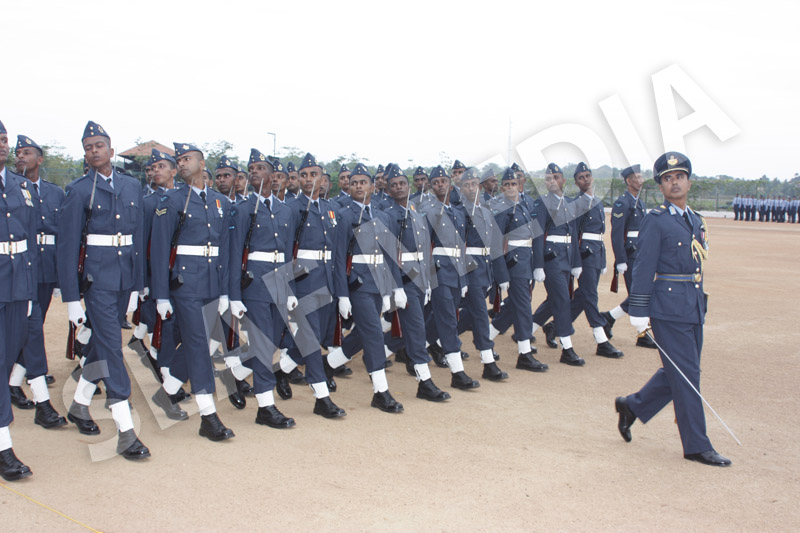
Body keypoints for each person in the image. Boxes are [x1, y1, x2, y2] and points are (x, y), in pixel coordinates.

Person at [615, 151, 731, 467]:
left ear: (689, 182)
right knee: (688, 376)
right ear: (661, 186)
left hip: (693, 305)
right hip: (667, 309)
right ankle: (697, 445)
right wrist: (638, 311)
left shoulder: (695, 220)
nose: (674, 182)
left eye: (680, 176)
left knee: (679, 372)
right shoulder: (656, 220)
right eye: (668, 178)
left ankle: (632, 406)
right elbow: (643, 266)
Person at [58, 121, 149, 460]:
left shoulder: (131, 186)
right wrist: (71, 298)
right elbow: (67, 247)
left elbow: (138, 237)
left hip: (125, 277)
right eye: (88, 148)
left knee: (101, 343)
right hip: (97, 280)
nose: (93, 151)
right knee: (112, 347)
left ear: (110, 150)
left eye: (99, 145)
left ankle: (79, 403)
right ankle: (126, 430)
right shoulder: (79, 190)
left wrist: (138, 285)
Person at [151, 142, 235, 442]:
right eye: (179, 160)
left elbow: (226, 250)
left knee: (200, 341)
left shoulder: (220, 202)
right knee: (198, 344)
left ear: (202, 163)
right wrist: (161, 295)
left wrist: (225, 291)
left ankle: (167, 392)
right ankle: (208, 416)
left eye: (187, 159)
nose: (182, 164)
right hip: (185, 283)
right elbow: (160, 250)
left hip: (212, 281)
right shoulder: (171, 200)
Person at [326, 163, 405, 412]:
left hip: (378, 283)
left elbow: (390, 255)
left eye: (363, 182)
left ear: (372, 187)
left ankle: (328, 364)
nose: (358, 186)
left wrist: (396, 287)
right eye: (354, 183)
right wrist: (342, 295)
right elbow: (339, 258)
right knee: (373, 334)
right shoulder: (344, 215)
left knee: (362, 333)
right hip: (357, 284)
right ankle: (380, 392)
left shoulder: (383, 216)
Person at [227, 148, 297, 428]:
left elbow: (288, 253)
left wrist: (290, 289)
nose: (254, 172)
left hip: (279, 283)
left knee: (275, 340)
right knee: (263, 343)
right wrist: (234, 295)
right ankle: (265, 407)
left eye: (260, 168)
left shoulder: (284, 209)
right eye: (251, 168)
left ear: (272, 175)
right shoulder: (243, 209)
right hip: (254, 283)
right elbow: (235, 253)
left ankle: (236, 372)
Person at [7, 135, 66, 426]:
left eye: (27, 152)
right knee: (29, 330)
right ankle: (22, 384)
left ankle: (16, 381)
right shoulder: (13, 188)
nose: (21, 157)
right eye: (18, 152)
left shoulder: (54, 192)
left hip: (43, 267)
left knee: (33, 327)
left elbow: (63, 233)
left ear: (39, 159)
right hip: (17, 269)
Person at [283, 153, 345, 418]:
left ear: (323, 179)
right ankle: (321, 396)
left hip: (327, 280)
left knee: (315, 336)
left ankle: (280, 370)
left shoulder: (331, 209)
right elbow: (286, 252)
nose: (308, 179)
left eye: (313, 174)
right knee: (310, 339)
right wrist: (288, 289)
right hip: (304, 281)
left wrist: (342, 292)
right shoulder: (291, 208)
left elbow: (338, 255)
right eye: (303, 175)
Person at [420, 166, 480, 389]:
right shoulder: (427, 211)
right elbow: (425, 246)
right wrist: (428, 279)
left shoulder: (457, 212)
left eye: (443, 181)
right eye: (435, 182)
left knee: (442, 320)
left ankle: (407, 348)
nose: (440, 185)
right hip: (439, 271)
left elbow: (461, 247)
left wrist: (463, 278)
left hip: (455, 271)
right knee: (448, 321)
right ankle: (457, 373)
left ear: (450, 184)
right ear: (431, 186)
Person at [0, 119, 37, 480]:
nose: (1, 145)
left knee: (7, 359)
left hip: (16, 285)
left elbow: (30, 242)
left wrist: (28, 288)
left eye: (3, 140)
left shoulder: (20, 186)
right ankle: (4, 448)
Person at [488, 168, 548, 372]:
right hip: (513, 263)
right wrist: (501, 274)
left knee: (514, 305)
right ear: (501, 188)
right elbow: (496, 244)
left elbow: (536, 235)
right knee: (523, 307)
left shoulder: (525, 205)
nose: (511, 188)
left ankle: (485, 339)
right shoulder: (501, 209)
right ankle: (524, 353)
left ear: (519, 185)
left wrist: (538, 265)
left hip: (526, 260)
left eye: (514, 184)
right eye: (506, 185)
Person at [456, 168, 510, 380]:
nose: (471, 188)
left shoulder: (486, 212)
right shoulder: (459, 213)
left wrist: (501, 276)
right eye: (466, 185)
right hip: (470, 269)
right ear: (461, 189)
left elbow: (495, 247)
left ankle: (433, 341)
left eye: (474, 184)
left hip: (485, 269)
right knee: (479, 315)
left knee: (467, 314)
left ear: (479, 187)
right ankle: (488, 362)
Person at [530, 163, 585, 366]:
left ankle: (525, 334)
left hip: (567, 258)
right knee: (562, 300)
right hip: (551, 259)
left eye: (556, 177)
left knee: (556, 299)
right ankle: (567, 349)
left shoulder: (570, 203)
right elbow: (537, 235)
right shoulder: (542, 203)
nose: (552, 181)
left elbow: (575, 234)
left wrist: (576, 262)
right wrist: (538, 265)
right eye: (548, 178)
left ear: (563, 180)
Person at [569, 163, 623, 358]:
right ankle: (601, 339)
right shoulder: (577, 204)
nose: (585, 180)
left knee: (583, 295)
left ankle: (556, 325)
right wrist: (575, 261)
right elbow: (574, 234)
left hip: (596, 253)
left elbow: (600, 234)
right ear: (576, 182)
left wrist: (603, 259)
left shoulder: (598, 202)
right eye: (581, 177)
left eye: (587, 176)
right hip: (584, 254)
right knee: (590, 295)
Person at [601, 165, 656, 349]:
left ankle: (608, 318)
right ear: (628, 181)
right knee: (638, 294)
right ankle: (642, 333)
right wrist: (621, 259)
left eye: (641, 177)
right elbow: (617, 234)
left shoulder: (639, 202)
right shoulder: (622, 203)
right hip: (630, 254)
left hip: (641, 253)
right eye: (637, 177)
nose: (641, 180)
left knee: (640, 293)